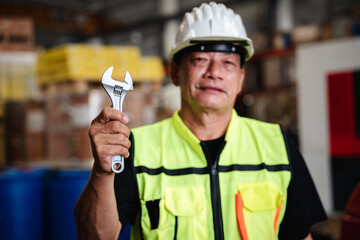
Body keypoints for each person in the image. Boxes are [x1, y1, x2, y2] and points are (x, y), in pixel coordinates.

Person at [74, 2, 327, 239]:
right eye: (200, 60)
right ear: (175, 73)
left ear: (240, 78)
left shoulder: (278, 145)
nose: (214, 73)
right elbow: (94, 236)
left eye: (227, 62)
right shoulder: (135, 148)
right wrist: (102, 172)